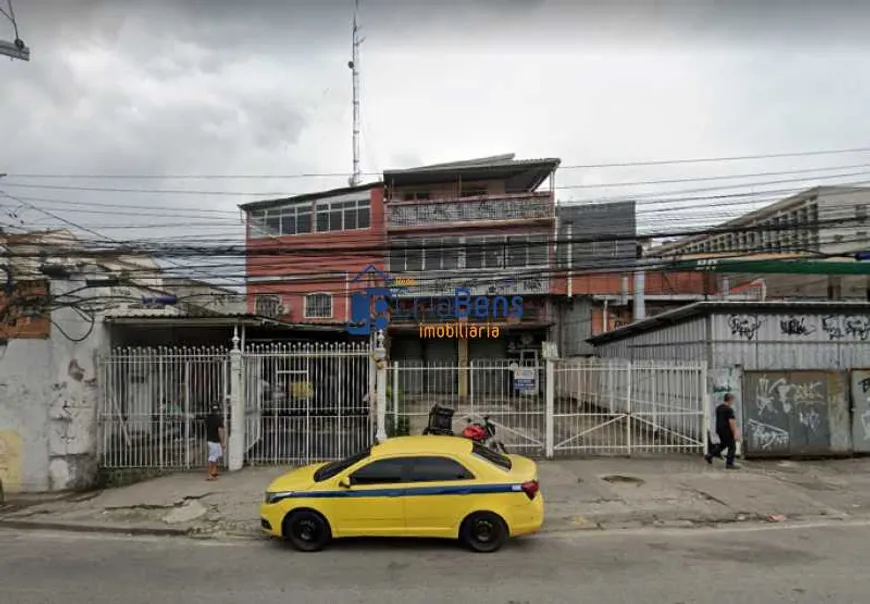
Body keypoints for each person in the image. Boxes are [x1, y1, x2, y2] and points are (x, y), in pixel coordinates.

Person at [705, 393, 740, 469]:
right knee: (732, 446)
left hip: (719, 429)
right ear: (730, 400)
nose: (732, 402)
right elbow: (732, 422)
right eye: (732, 400)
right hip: (726, 430)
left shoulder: (719, 408)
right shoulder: (729, 409)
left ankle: (710, 455)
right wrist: (735, 433)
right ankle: (729, 463)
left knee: (723, 444)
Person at [205, 404, 226, 480]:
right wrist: (222, 442)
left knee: (216, 456)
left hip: (210, 439)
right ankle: (209, 474)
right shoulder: (218, 419)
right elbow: (220, 430)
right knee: (213, 457)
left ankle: (213, 472)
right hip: (215, 440)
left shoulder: (208, 418)